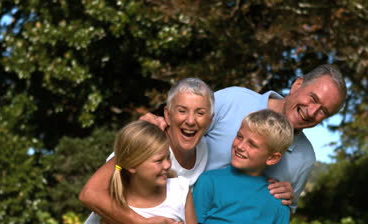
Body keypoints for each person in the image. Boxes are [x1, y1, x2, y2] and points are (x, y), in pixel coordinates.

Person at [142, 64, 346, 213]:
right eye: (313, 99)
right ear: (297, 84)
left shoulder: (305, 157)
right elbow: (182, 129)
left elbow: (281, 218)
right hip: (166, 216)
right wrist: (152, 128)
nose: (312, 112)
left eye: (324, 112)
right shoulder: (233, 100)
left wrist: (283, 201)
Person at [78, 78, 214, 224]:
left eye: (200, 113)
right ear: (167, 114)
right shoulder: (147, 141)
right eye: (182, 111)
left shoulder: (205, 150)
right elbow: (90, 193)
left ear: (210, 120)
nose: (190, 120)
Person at [70, 121, 200, 224]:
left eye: (168, 157)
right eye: (158, 161)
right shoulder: (114, 209)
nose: (167, 165)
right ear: (132, 166)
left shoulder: (180, 190)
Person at [193, 109, 294, 224]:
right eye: (239, 136)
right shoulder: (209, 182)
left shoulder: (278, 197)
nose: (240, 146)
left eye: (252, 144)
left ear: (272, 158)